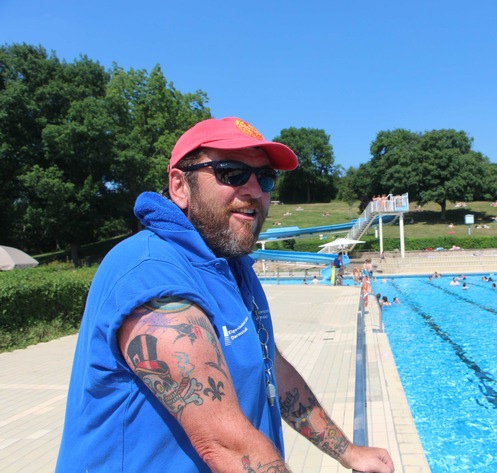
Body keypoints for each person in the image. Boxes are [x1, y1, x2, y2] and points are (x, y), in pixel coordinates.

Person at [55, 117, 394, 473]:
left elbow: (271, 366)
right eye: (231, 172)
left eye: (264, 178)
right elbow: (226, 445)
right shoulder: (150, 271)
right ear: (179, 186)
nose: (253, 190)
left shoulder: (233, 267)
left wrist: (349, 452)